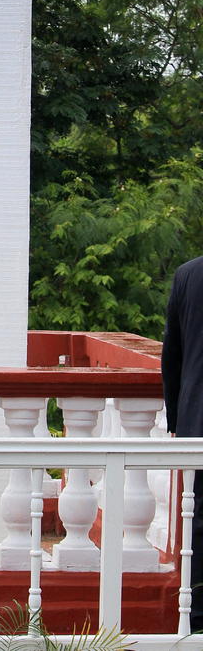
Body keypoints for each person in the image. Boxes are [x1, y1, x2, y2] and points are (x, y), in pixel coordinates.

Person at [161, 253, 203, 632]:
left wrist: (177, 420)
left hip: (197, 419)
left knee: (199, 521)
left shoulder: (188, 274)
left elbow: (170, 356)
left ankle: (199, 616)